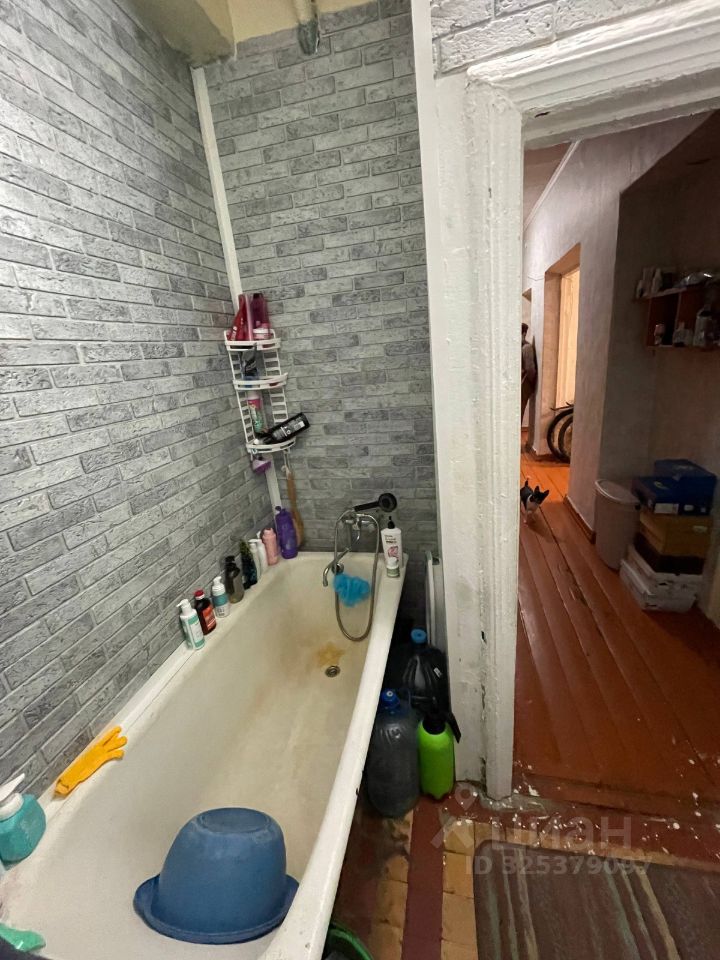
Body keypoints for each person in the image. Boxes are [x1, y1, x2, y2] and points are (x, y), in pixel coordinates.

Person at [521, 322, 537, 422]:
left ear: (524, 333)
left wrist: (530, 383)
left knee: (519, 413)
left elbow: (530, 369)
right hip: (519, 384)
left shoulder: (527, 348)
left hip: (523, 384)